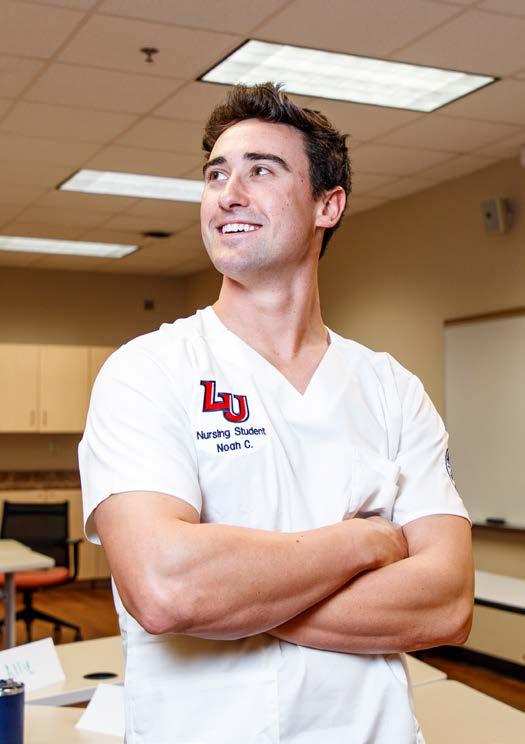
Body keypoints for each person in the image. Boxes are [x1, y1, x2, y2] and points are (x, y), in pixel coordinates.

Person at [79, 83, 474, 744]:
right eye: (216, 175)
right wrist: (365, 542)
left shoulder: (390, 390)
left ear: (327, 205)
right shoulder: (148, 371)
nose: (228, 194)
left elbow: (446, 603)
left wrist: (236, 600)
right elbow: (167, 589)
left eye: (260, 170)